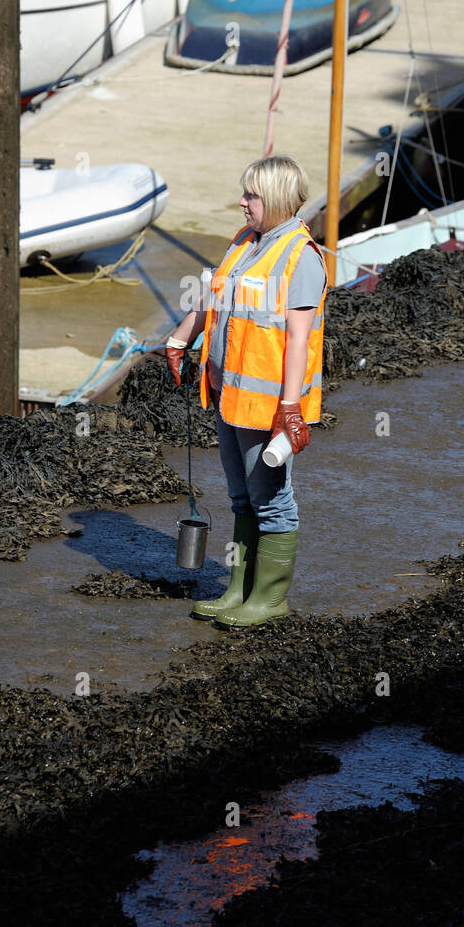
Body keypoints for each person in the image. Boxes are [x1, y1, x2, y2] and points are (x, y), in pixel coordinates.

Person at [165, 155, 328, 629]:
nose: (242, 202)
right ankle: (238, 588)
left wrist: (291, 409)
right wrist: (180, 338)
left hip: (266, 406)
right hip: (227, 395)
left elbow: (300, 338)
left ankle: (269, 597)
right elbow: (213, 295)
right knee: (241, 498)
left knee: (272, 498)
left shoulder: (301, 258)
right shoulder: (245, 242)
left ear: (277, 199)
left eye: (251, 195)